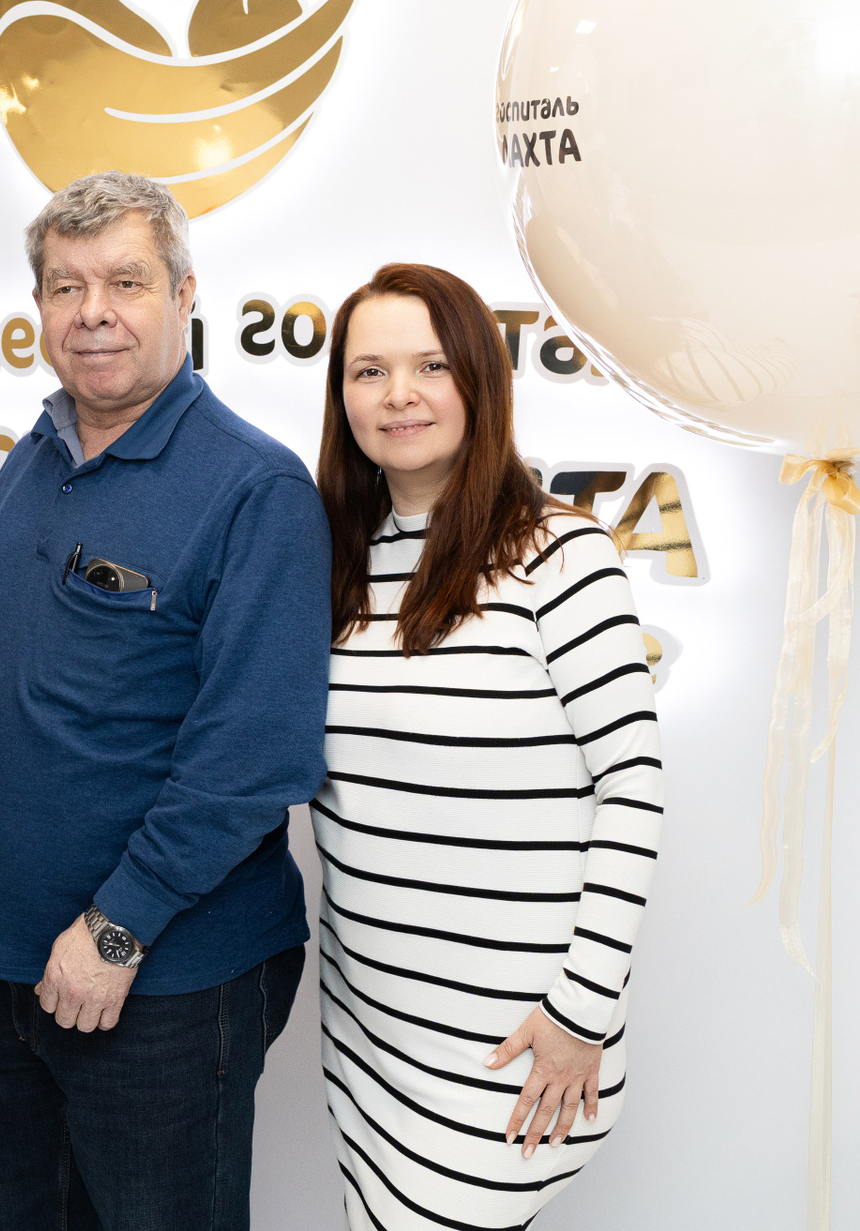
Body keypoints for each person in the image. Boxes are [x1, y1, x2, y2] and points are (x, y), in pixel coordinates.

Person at [0, 171, 332, 1229]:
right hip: (8, 965)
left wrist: (116, 930)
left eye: (126, 281)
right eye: (66, 287)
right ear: (38, 306)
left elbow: (254, 757)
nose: (93, 311)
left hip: (158, 977)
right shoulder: (32, 458)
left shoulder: (255, 488)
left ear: (184, 294)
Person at [310, 264, 662, 1230]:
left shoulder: (561, 555)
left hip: (515, 1040)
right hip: (374, 1028)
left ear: (481, 379)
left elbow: (633, 790)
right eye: (370, 371)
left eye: (431, 365)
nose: (400, 394)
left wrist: (582, 1014)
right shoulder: (337, 558)